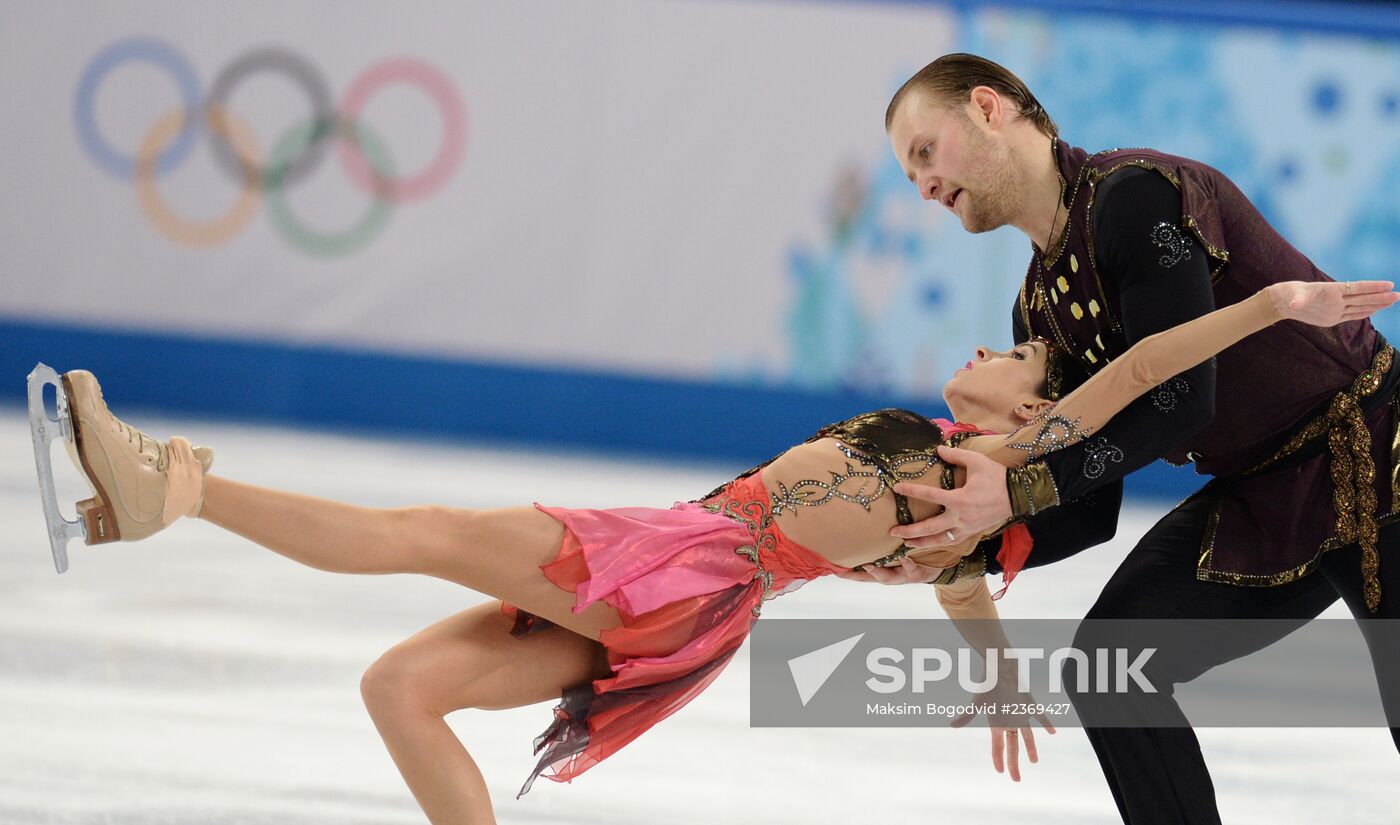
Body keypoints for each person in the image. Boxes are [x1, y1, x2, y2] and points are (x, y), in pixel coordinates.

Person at [34, 279, 1389, 824]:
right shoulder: (959, 486)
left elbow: (1136, 376)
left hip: (683, 563)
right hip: (701, 599)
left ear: (1036, 412)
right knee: (402, 689)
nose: (985, 353)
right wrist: (989, 666)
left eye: (1013, 358)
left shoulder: (982, 474)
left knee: (428, 533)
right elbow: (970, 571)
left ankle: (177, 489)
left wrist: (1265, 304)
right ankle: (160, 494)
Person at [881, 52, 1400, 824]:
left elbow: (1183, 400)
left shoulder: (1132, 199)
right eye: (909, 173)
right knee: (1110, 667)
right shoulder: (1037, 315)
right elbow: (1092, 508)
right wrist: (970, 540)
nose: (921, 185)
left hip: (1373, 450)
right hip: (1262, 493)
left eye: (925, 152)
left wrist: (1016, 489)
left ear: (988, 108)